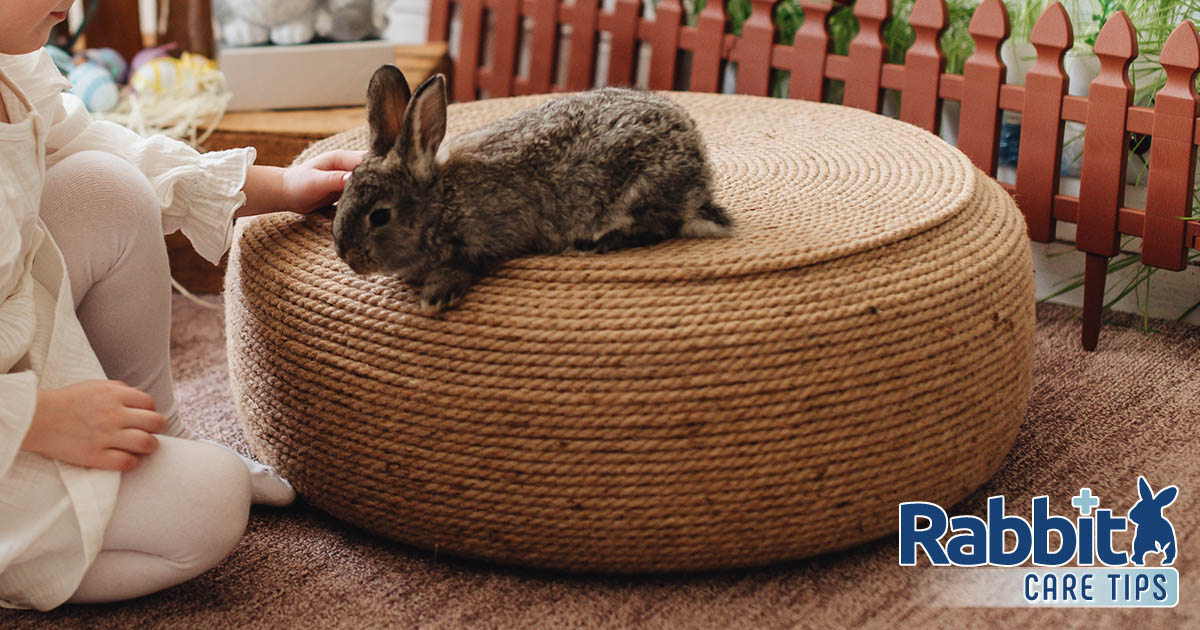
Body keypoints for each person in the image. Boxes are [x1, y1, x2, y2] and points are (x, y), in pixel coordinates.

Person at [0, 1, 365, 610]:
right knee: (208, 502)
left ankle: (166, 433)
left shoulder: (13, 67)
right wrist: (36, 420)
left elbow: (107, 148)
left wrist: (280, 186)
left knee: (106, 185)